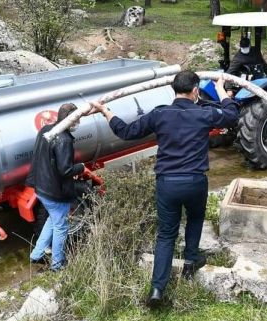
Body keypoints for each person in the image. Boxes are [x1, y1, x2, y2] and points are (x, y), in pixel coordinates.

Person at [89, 71, 239, 307]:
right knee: (196, 219)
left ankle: (157, 289)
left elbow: (127, 132)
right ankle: (190, 262)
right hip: (194, 181)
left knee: (166, 234)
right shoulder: (203, 113)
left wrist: (105, 111)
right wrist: (221, 90)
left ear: (174, 90)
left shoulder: (160, 113)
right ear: (195, 91)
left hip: (167, 183)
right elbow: (232, 115)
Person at [26, 103, 86, 272]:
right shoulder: (64, 139)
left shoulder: (46, 130)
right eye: (77, 119)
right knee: (61, 226)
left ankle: (36, 254)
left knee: (53, 219)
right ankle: (57, 265)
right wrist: (81, 167)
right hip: (55, 191)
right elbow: (65, 170)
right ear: (72, 120)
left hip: (41, 186)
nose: (78, 123)